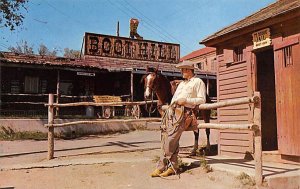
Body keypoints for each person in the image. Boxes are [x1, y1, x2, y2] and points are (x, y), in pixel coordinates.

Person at [150, 60, 206, 177]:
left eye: (184, 70)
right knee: (168, 138)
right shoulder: (181, 84)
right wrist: (170, 110)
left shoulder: (198, 82)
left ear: (190, 70)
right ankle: (173, 166)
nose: (182, 72)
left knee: (171, 139)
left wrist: (186, 101)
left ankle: (161, 166)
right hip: (174, 112)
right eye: (182, 70)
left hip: (186, 113)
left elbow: (201, 99)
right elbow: (174, 99)